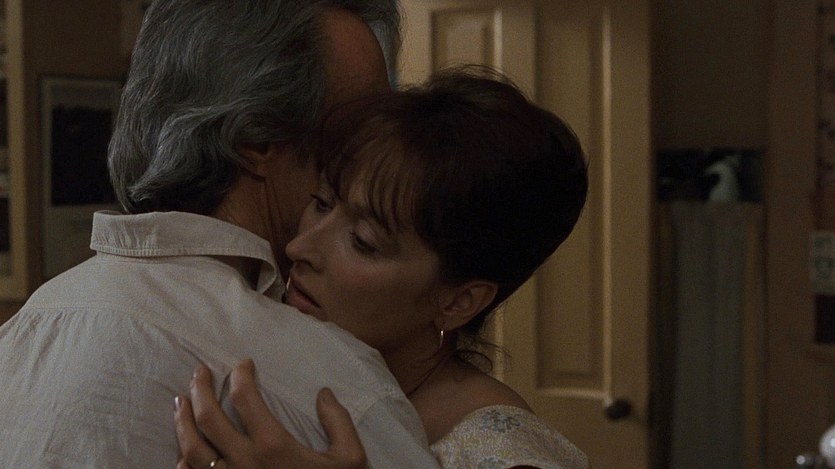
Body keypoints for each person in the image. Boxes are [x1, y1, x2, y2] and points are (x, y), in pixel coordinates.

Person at [0, 0, 443, 467]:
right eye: (361, 127)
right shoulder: (337, 397)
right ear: (256, 140)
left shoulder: (21, 339)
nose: (379, 153)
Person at [174, 67, 591, 468]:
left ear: (459, 301)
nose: (299, 247)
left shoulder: (498, 449)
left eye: (363, 241)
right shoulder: (295, 366)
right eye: (321, 203)